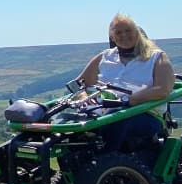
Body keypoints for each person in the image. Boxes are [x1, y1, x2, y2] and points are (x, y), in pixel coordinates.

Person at [74, 13, 175, 155]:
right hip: (102, 109)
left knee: (116, 119)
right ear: (112, 37)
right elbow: (77, 84)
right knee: (72, 120)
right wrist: (83, 97)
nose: (124, 35)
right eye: (118, 32)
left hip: (143, 112)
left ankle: (106, 160)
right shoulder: (105, 57)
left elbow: (163, 89)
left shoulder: (156, 57)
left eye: (128, 31)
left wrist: (129, 100)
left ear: (137, 32)